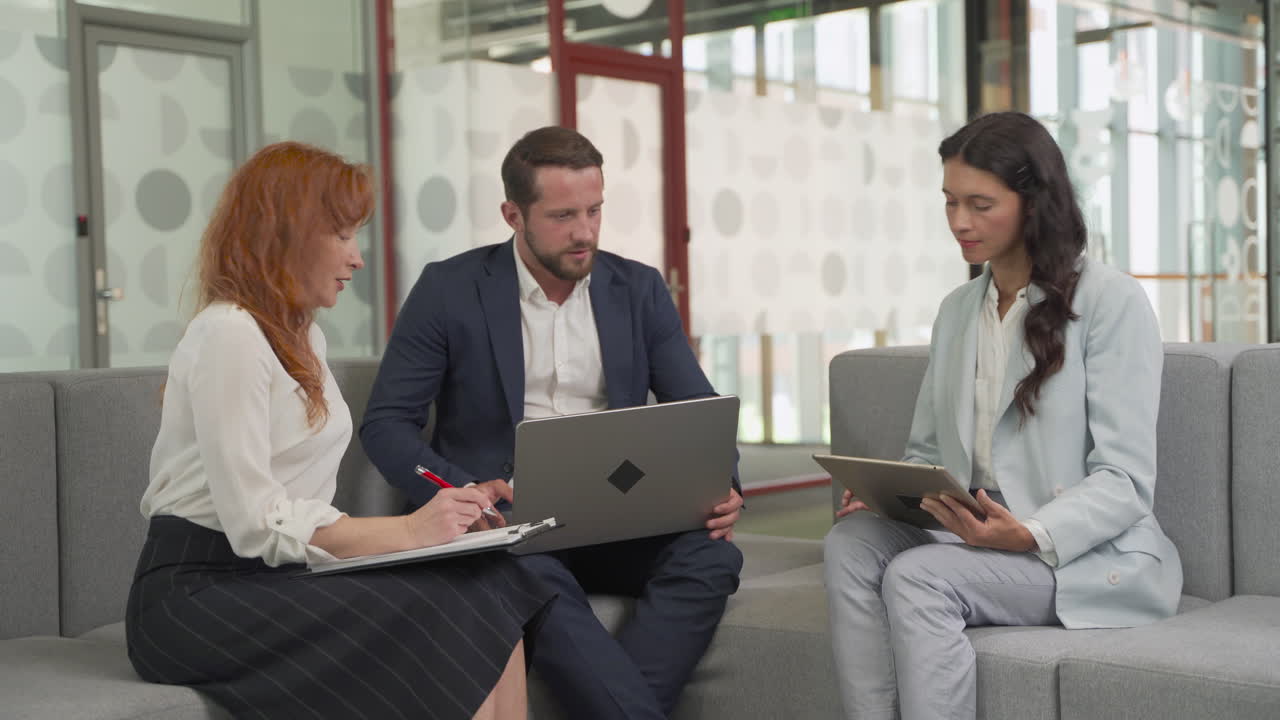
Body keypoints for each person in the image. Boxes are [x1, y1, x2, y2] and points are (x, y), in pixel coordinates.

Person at [125, 141, 555, 720]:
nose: (357, 258)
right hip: (195, 594)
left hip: (279, 576)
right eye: (343, 235)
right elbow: (256, 524)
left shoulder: (306, 339)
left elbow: (297, 520)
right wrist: (408, 530)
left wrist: (434, 526)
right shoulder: (229, 334)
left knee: (486, 583)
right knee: (439, 611)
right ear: (287, 236)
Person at [360, 126, 744, 720]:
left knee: (712, 556)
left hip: (619, 516)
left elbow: (698, 408)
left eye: (594, 210)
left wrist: (723, 485)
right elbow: (387, 426)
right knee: (523, 572)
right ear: (513, 213)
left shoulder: (637, 289)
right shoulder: (449, 289)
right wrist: (457, 493)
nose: (585, 231)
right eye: (563, 215)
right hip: (509, 526)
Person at [823, 112, 1183, 720]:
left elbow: (1126, 480)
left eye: (980, 204)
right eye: (950, 202)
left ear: (1032, 202)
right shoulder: (958, 310)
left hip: (1079, 552)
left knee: (917, 577)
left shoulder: (1111, 301)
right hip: (974, 526)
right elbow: (928, 450)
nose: (959, 222)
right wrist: (895, 494)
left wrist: (1028, 533)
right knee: (851, 544)